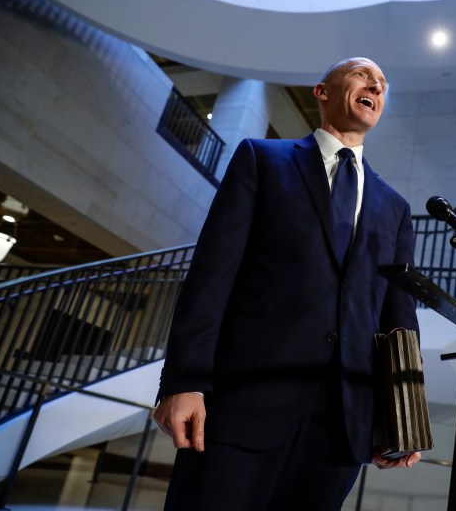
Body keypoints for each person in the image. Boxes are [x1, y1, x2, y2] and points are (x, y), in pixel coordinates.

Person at [153, 57, 421, 510]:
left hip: (339, 430)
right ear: (322, 91)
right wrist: (185, 381)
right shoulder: (262, 159)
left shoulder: (394, 207)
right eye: (361, 75)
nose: (375, 84)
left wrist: (403, 418)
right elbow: (212, 277)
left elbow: (399, 319)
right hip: (242, 410)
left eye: (381, 83)